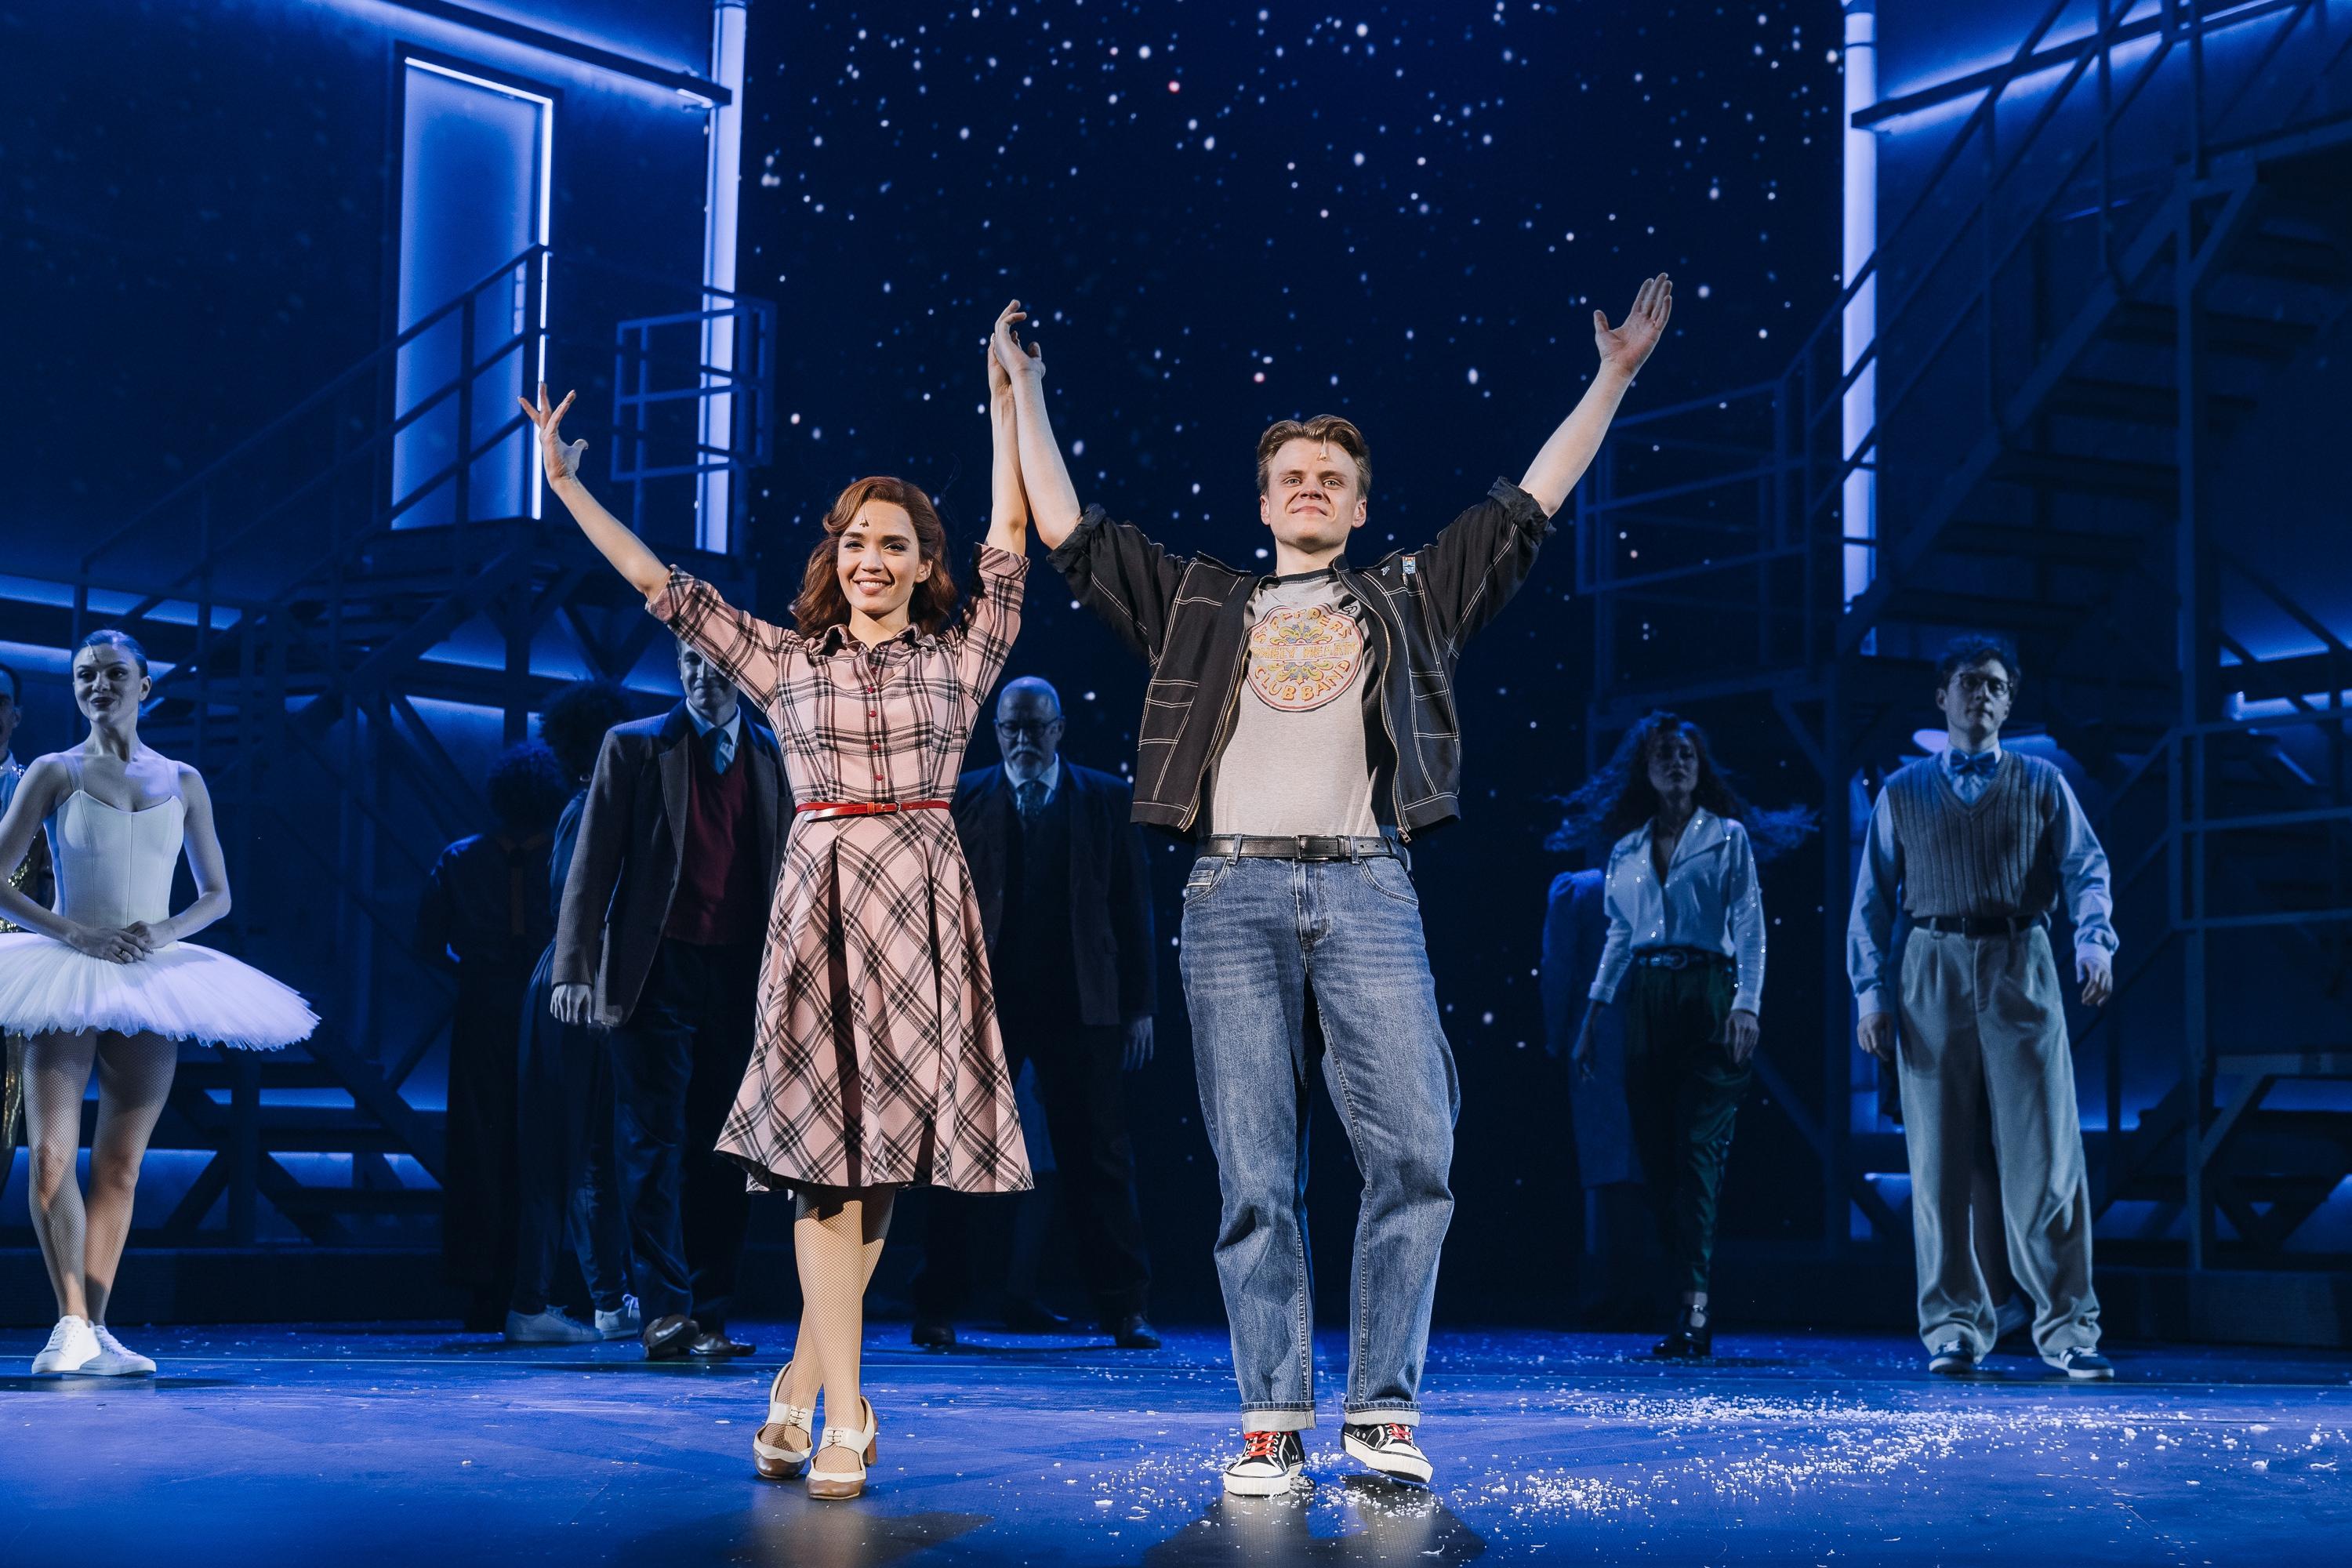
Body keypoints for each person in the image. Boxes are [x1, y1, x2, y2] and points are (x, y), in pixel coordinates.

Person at [997, 278, 1674, 1493]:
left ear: (1360, 509)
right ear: (1263, 503)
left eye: (1332, 478)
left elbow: (1528, 505)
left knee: (1416, 1150)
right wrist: (1029, 391)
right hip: (1233, 897)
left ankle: (1381, 1411)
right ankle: (1271, 1420)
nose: (1310, 487)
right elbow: (1071, 536)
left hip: (1368, 890)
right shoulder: (1203, 603)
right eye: (1292, 476)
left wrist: (1612, 376)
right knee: (1257, 1175)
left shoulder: (1410, 595)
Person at [522, 296, 1034, 1501]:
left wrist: (1006, 398)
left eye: (895, 543)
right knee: (820, 1166)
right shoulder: (784, 661)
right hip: (821, 914)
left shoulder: (963, 657)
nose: (872, 559)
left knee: (882, 1165)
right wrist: (568, 486)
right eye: (855, 541)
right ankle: (849, 1413)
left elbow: (1013, 534)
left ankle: (798, 1385)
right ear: (834, 557)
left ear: (924, 564)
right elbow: (657, 583)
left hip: (921, 912)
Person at [0, 630, 317, 1377]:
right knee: (51, 1156)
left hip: (149, 974)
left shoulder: (184, 779)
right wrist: (76, 932)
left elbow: (217, 894)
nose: (99, 685)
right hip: (68, 970)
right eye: (86, 675)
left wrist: (163, 932)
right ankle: (68, 1324)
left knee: (121, 1164)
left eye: (114, 674)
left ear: (144, 686)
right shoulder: (53, 771)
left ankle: (99, 1329)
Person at [1848, 634, 2118, 1380]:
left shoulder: (2041, 782)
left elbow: (2086, 868)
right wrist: (1871, 995)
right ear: (1943, 696)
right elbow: (1870, 902)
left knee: (2046, 1154)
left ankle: (2069, 1328)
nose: (1983, 695)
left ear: (2009, 701)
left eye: (1997, 685)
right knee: (1938, 1160)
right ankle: (1954, 1328)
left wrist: (2094, 942)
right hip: (1930, 964)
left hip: (2018, 958)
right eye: (1970, 682)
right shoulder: (1903, 791)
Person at [550, 639, 791, 1364]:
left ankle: (710, 1314)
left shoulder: (777, 752)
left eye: (715, 663)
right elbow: (593, 861)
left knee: (726, 1149)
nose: (701, 676)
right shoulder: (635, 746)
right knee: (650, 1144)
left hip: (742, 974)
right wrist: (574, 968)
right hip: (655, 971)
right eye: (688, 662)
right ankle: (666, 1311)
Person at [911, 674, 1160, 1351]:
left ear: (1058, 730)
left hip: (1081, 1002)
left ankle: (1125, 1307)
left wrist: (1139, 1006)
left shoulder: (1104, 799)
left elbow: (1133, 908)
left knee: (1099, 1155)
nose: (1023, 739)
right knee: (958, 1152)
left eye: (1035, 727)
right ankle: (938, 1305)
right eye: (1011, 727)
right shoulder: (963, 798)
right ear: (997, 732)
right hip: (982, 1003)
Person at [1559, 713, 1812, 1359]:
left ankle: (1694, 1309)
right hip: (1646, 997)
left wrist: (1747, 1005)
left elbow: (1749, 924)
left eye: (1687, 754)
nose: (1677, 763)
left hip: (1709, 994)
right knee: (1658, 1160)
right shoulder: (1627, 850)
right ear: (1645, 769)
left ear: (1700, 768)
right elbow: (1620, 935)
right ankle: (1682, 1300)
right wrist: (1592, 1015)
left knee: (1698, 1154)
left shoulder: (1726, 838)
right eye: (1665, 754)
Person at [417, 741, 569, 1332]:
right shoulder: (564, 856)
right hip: (549, 1012)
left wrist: (473, 973)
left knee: (480, 1147)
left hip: (482, 1010)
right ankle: (535, 1284)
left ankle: (482, 1288)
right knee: (544, 1144)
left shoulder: (460, 858)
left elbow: (428, 945)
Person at [507, 680, 637, 1344]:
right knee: (567, 1147)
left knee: (587, 1150)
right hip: (575, 983)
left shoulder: (596, 804)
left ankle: (605, 1300)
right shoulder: (588, 808)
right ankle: (534, 1301)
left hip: (582, 979)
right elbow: (572, 904)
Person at [1537, 865, 1646, 1328]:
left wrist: (1554, 1035)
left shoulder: (1581, 891)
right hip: (1654, 1030)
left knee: (1612, 1166)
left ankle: (1621, 1289)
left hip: (1598, 1036)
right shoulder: (1658, 881)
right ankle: (1638, 1289)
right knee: (1641, 1161)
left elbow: (1558, 968)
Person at [2, 661, 57, 1149]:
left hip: (15, 970)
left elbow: (54, 887)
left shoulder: (39, 791)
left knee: (7, 1102)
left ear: (16, 715)